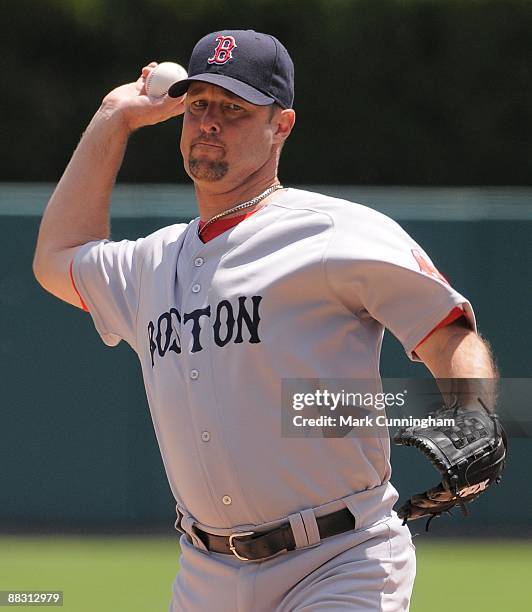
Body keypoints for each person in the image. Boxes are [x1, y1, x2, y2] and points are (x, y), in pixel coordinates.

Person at [33, 30, 498, 611]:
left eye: (233, 108)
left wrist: (473, 414)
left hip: (341, 560)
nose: (209, 122)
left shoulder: (334, 231)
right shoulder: (150, 263)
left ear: (281, 125)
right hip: (204, 574)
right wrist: (113, 116)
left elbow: (447, 330)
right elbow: (56, 258)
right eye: (198, 104)